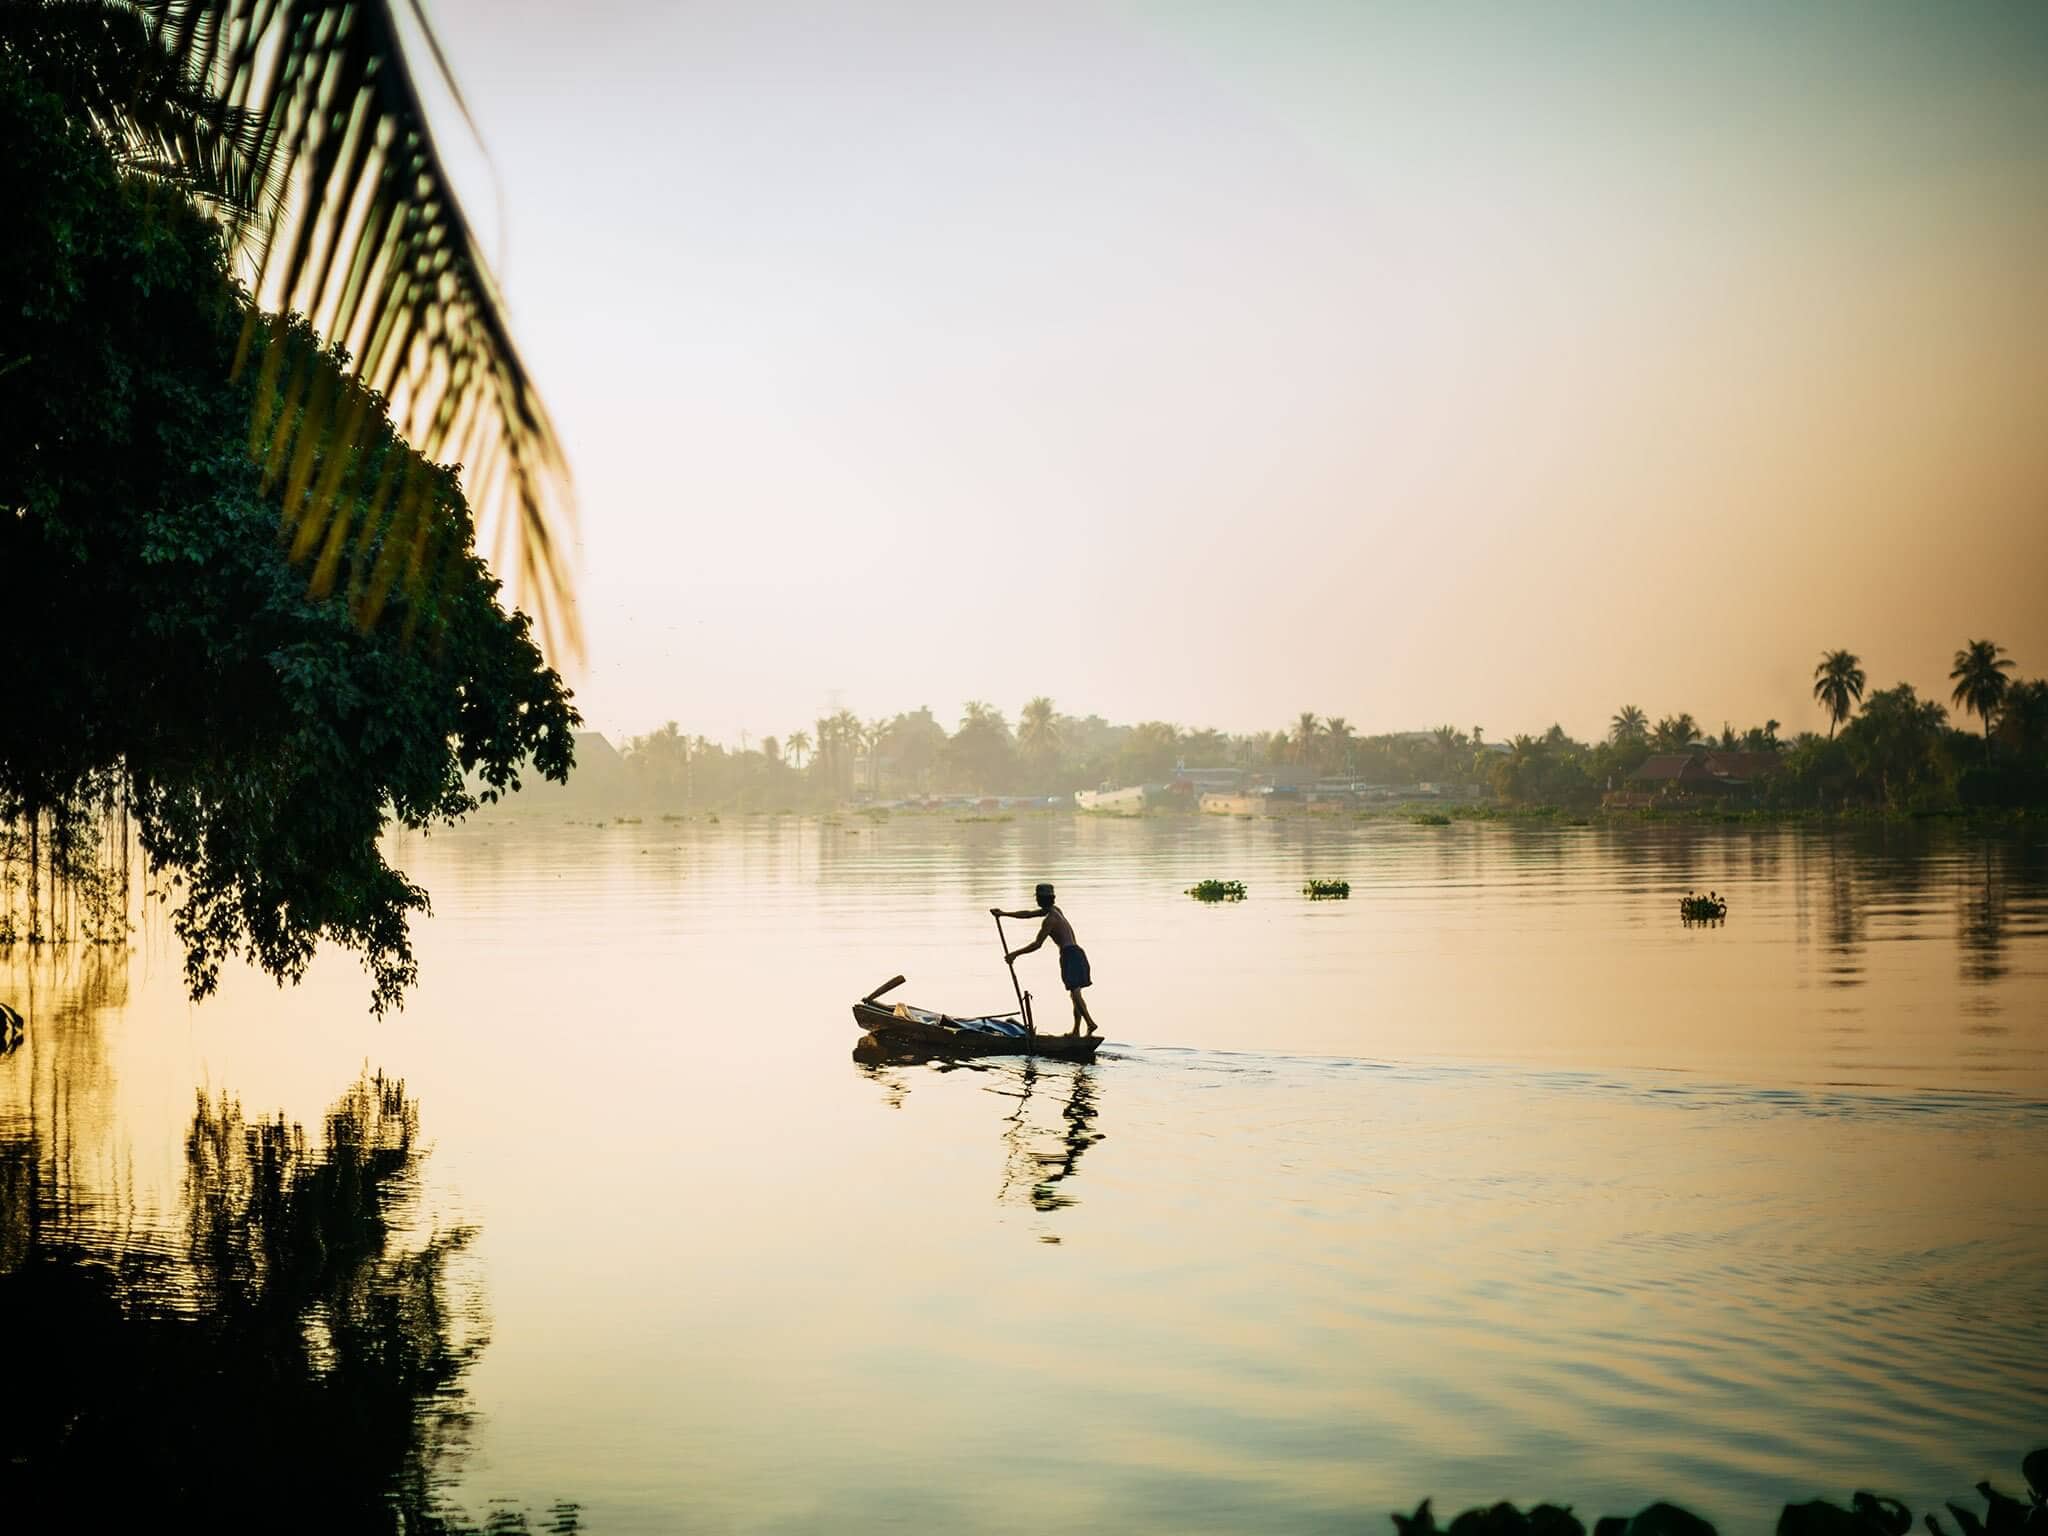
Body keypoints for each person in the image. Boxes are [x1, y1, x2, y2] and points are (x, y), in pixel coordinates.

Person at [993, 883, 1100, 1037]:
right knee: (1075, 994)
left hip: (1070, 955)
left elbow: (1037, 944)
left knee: (1075, 994)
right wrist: (1004, 913)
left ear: (1040, 899)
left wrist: (1015, 954)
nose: (1036, 901)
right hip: (1077, 953)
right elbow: (1028, 914)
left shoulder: (1050, 920)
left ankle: (1090, 1023)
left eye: (1037, 898)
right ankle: (1076, 1031)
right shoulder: (1056, 911)